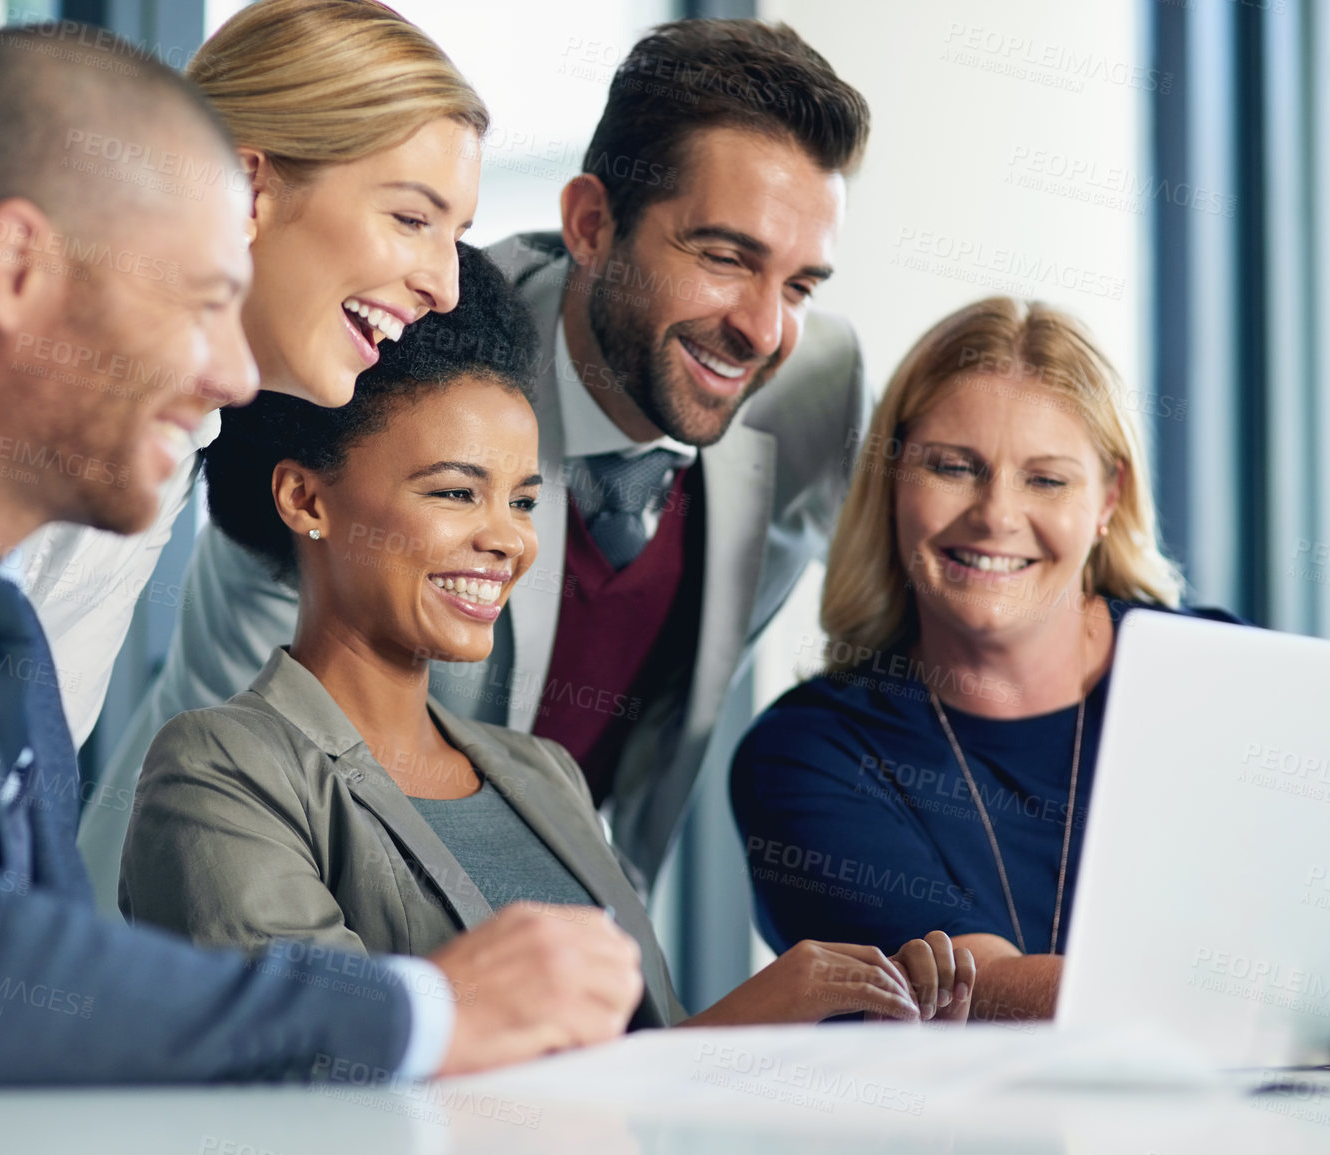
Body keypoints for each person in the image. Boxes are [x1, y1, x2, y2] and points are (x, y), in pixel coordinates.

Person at [0, 25, 641, 1087]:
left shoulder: (6, 626)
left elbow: (23, 969)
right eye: (201, 303)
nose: (232, 379)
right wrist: (423, 1011)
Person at [89, 18, 875, 899]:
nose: (764, 328)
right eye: (725, 257)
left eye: (801, 284)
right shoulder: (371, 364)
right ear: (587, 223)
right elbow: (226, 759)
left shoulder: (813, 387)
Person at [122, 244, 977, 1028]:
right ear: (306, 500)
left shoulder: (544, 775)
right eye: (456, 493)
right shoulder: (220, 768)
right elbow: (331, 1076)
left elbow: (647, 1064)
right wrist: (741, 1024)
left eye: (524, 499)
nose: (508, 539)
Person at [0, 0, 486, 770]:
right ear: (248, 190)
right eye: (412, 220)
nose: (446, 289)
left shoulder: (165, 462)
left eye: (457, 236)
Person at [728, 297, 1238, 1021]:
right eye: (953, 467)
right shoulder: (808, 754)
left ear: (1107, 499)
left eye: (1046, 479)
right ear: (893, 477)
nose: (996, 514)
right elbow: (977, 995)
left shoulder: (1221, 678)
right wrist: (1243, 1003)